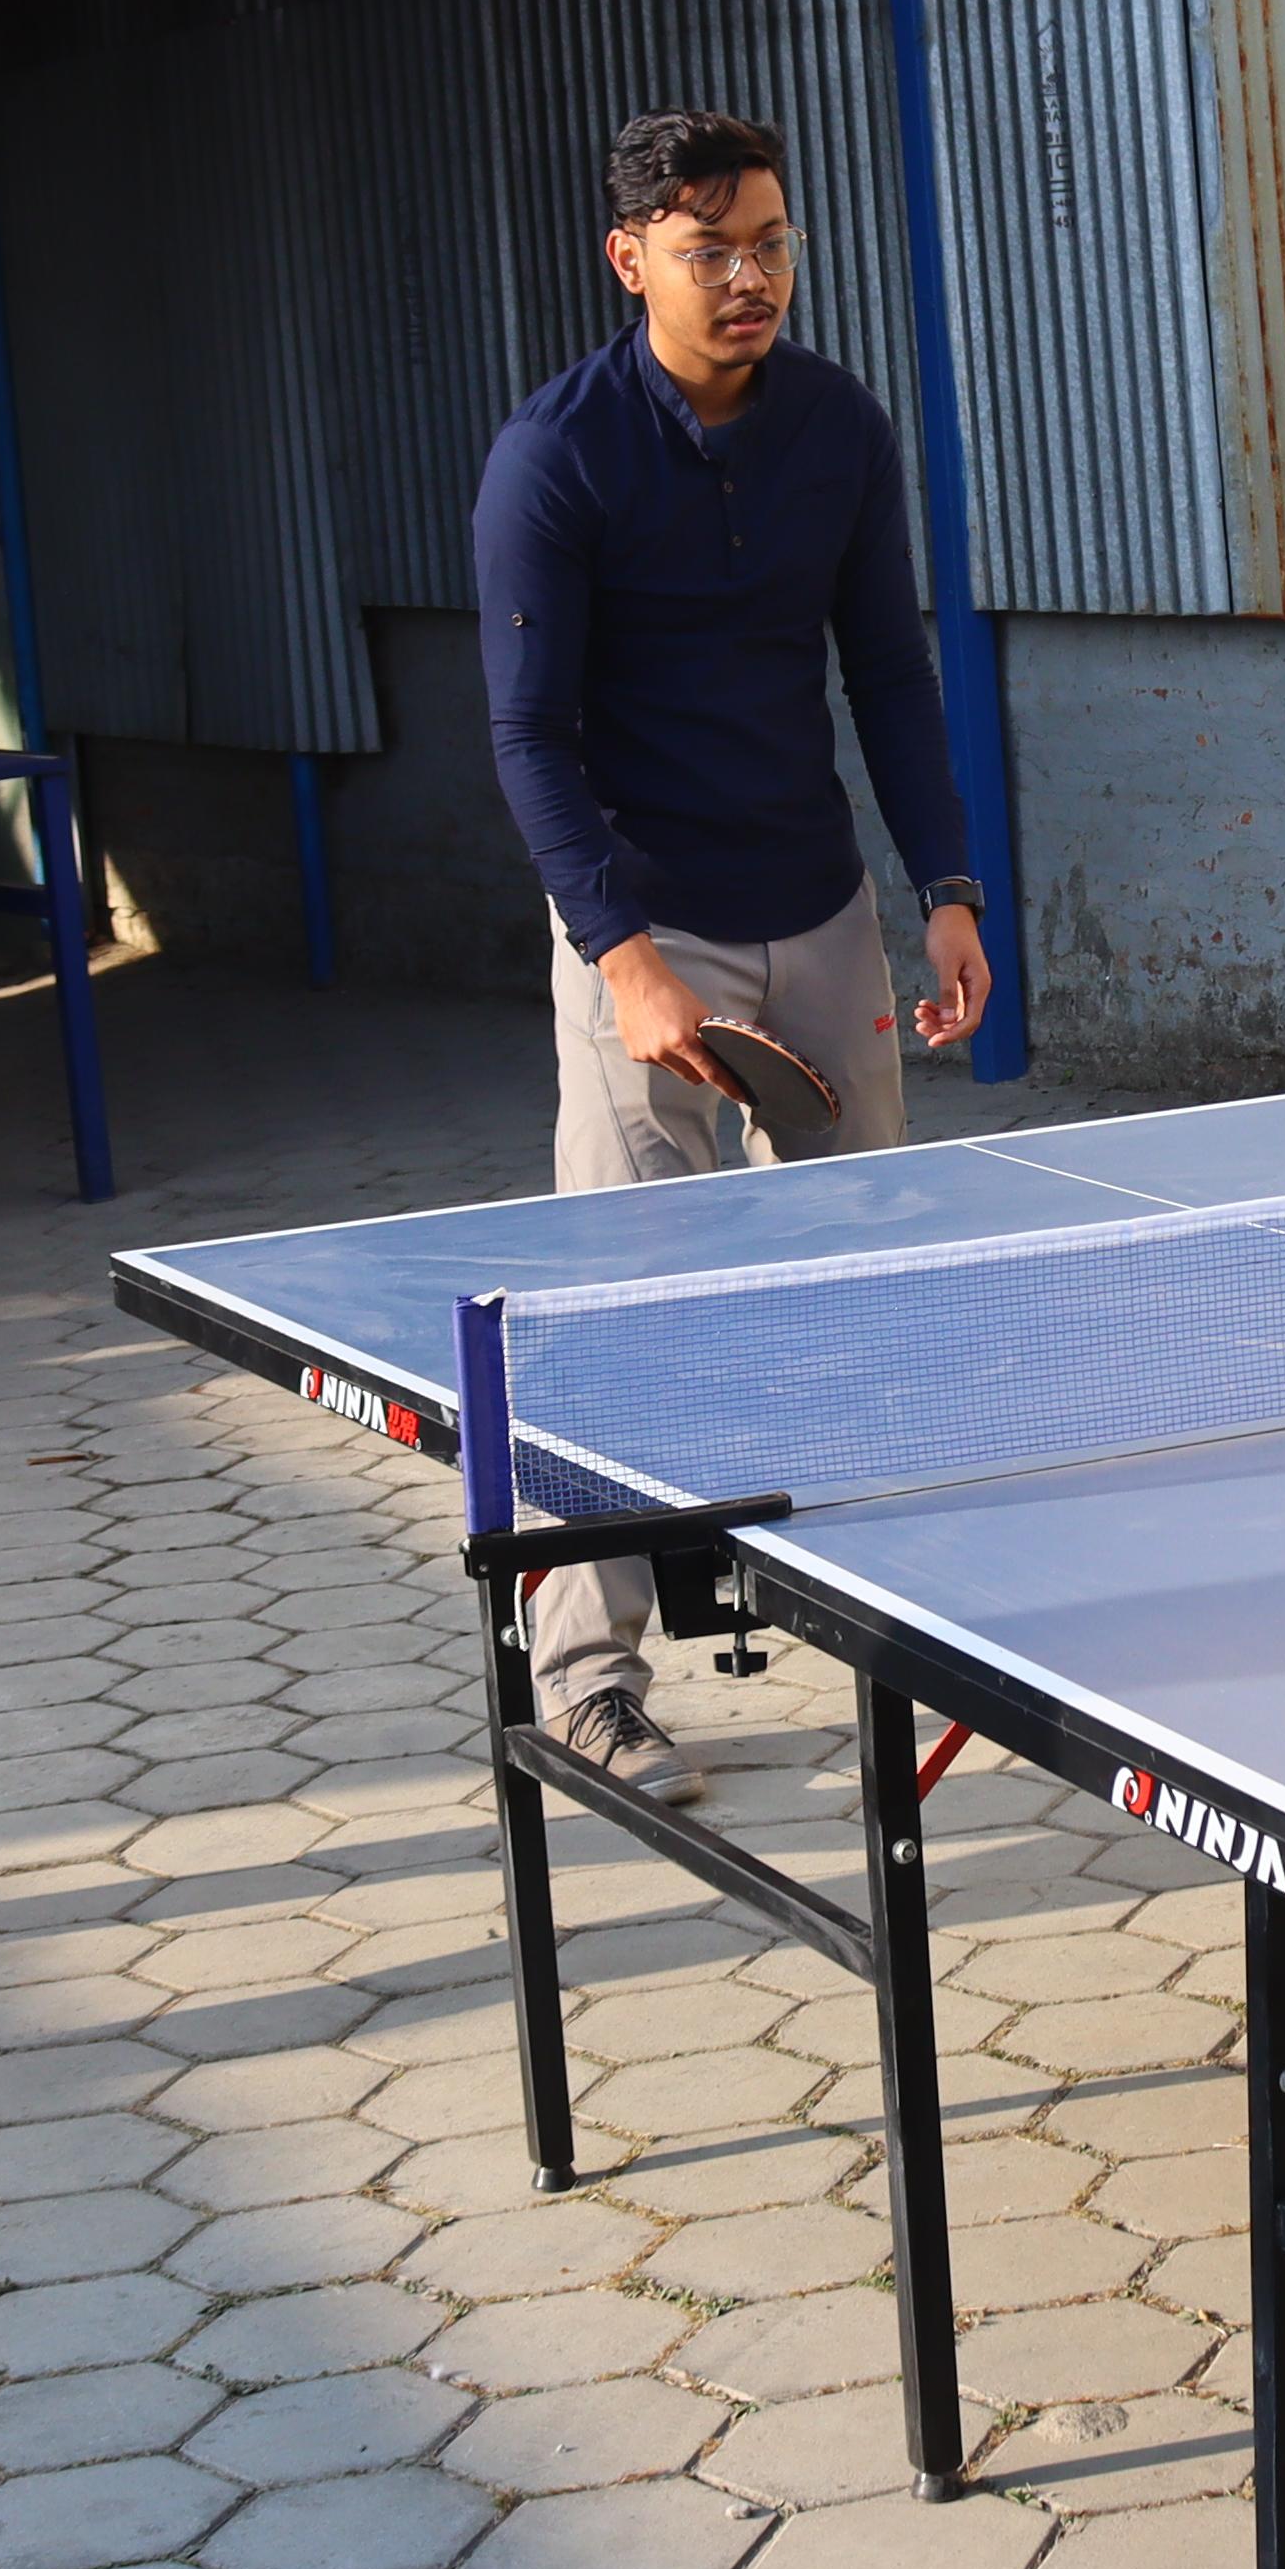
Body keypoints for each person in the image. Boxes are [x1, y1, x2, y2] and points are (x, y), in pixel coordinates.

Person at [479, 110, 994, 1805]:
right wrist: (622, 958)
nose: (751, 275)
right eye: (712, 251)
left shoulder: (840, 427)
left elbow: (891, 674)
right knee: (618, 1314)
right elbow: (530, 737)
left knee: (863, 1289)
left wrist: (947, 890)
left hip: (820, 911)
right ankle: (589, 1684)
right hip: (647, 931)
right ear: (630, 261)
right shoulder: (555, 457)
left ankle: (901, 1636)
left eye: (772, 242)